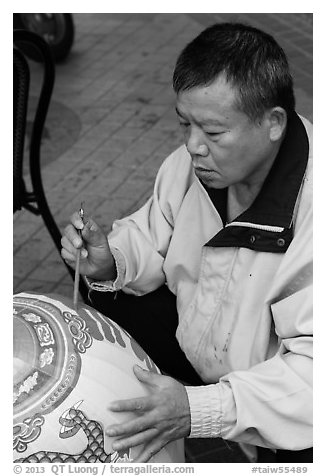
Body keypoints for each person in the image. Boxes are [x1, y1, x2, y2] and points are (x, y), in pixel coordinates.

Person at [61, 22, 312, 463]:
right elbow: (151, 232)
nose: (193, 146)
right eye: (184, 124)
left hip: (281, 407)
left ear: (274, 122)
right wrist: (110, 261)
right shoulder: (192, 166)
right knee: (97, 282)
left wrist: (199, 410)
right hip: (197, 351)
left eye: (213, 133)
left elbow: (314, 378)